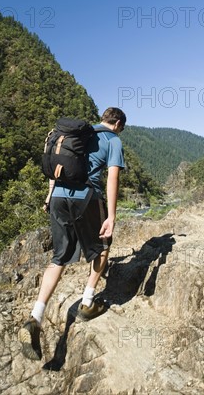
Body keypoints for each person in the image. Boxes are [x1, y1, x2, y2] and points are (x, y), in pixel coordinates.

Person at [18, 107, 126, 360]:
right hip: (87, 197)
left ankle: (35, 317)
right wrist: (111, 215)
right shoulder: (113, 140)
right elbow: (113, 179)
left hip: (58, 197)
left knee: (59, 257)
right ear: (118, 123)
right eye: (121, 127)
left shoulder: (74, 135)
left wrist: (49, 197)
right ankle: (87, 303)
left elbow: (58, 167)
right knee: (102, 247)